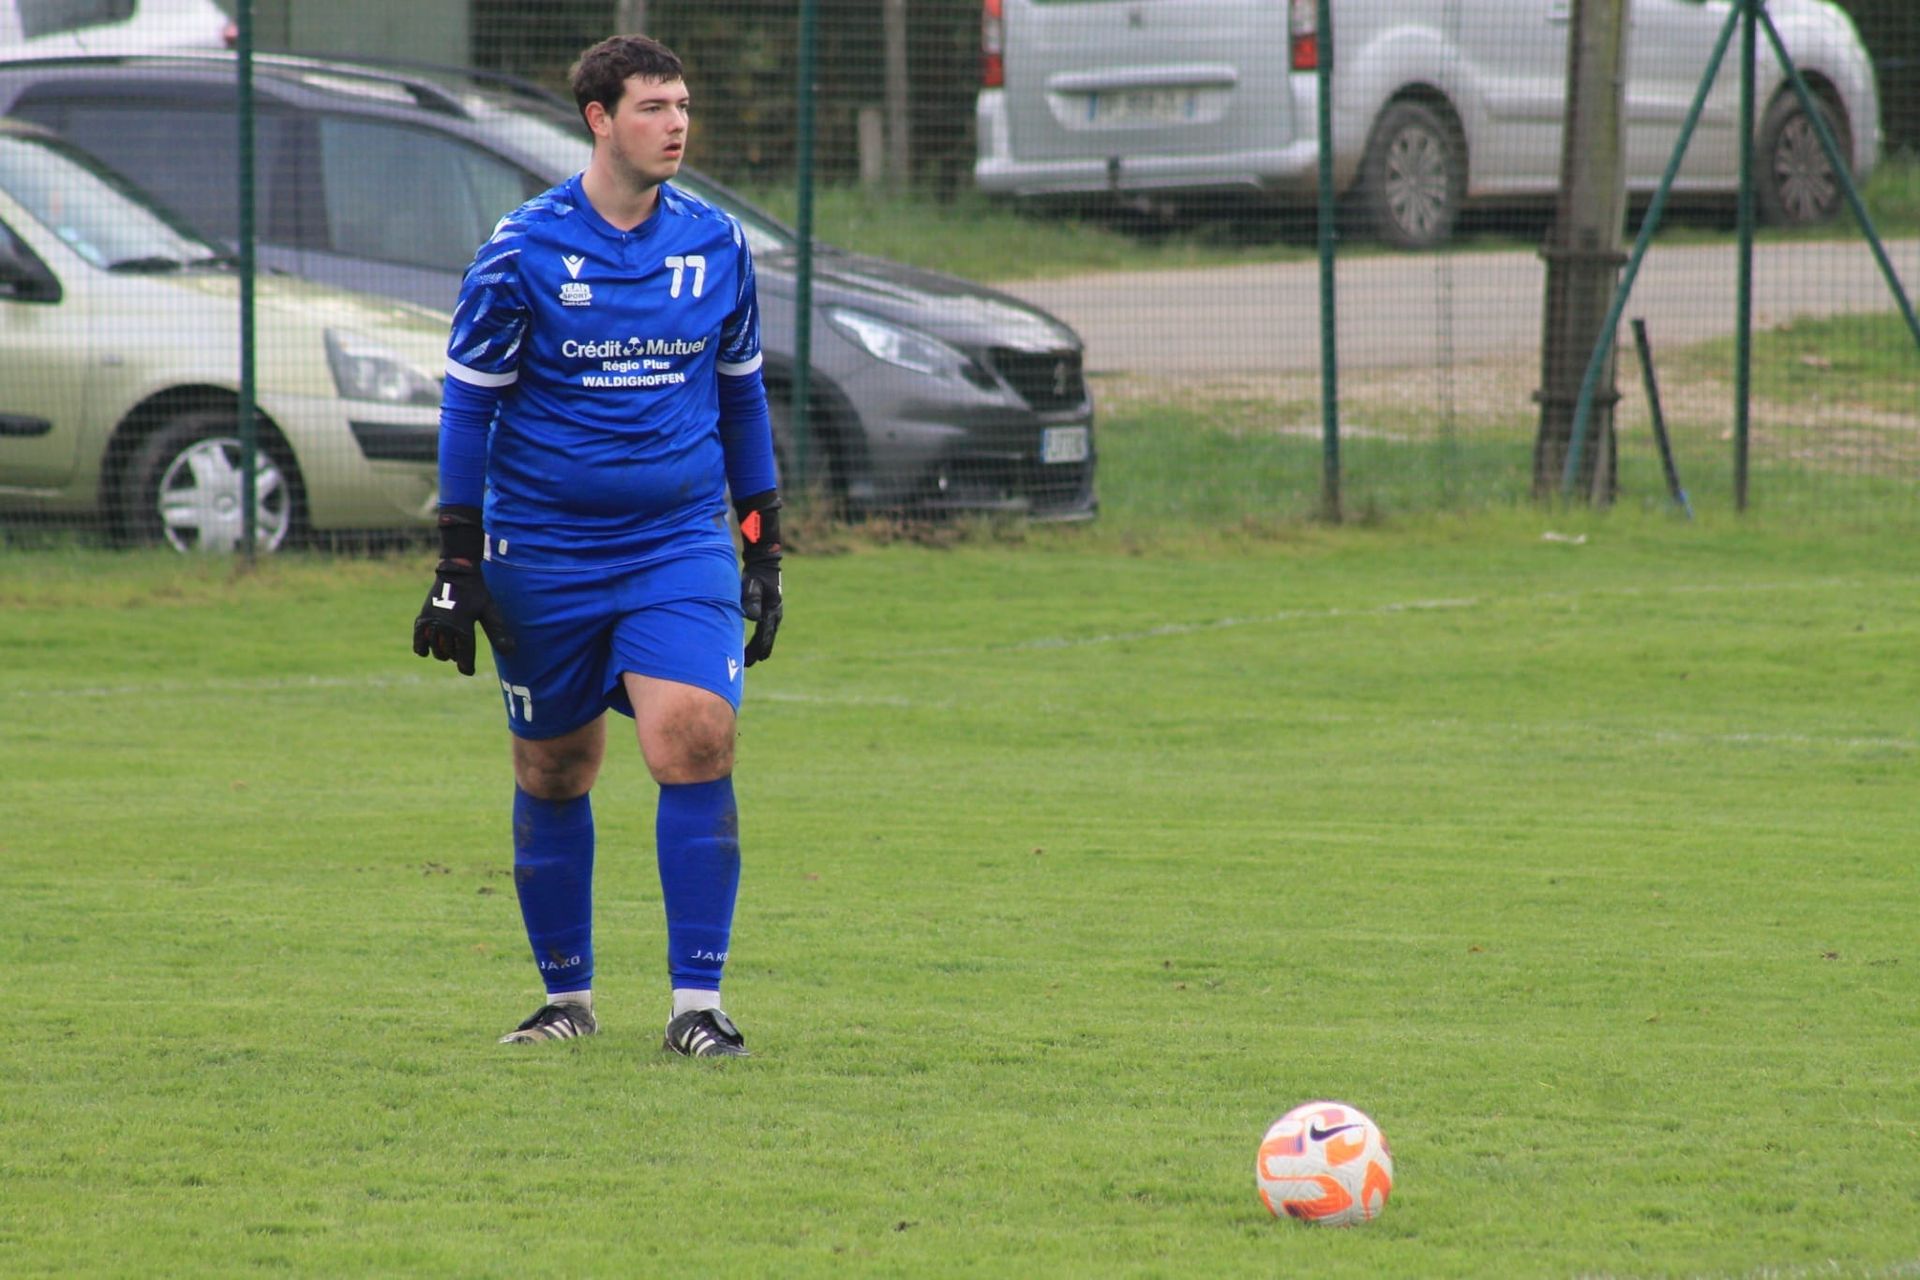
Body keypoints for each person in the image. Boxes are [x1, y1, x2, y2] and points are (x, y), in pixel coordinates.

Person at [411, 34, 781, 1058]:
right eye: (655, 107)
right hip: (545, 552)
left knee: (695, 735)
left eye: (684, 105)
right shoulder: (522, 248)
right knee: (556, 766)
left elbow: (741, 394)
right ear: (599, 119)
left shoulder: (717, 244)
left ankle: (697, 1008)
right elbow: (467, 405)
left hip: (676, 541)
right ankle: (565, 999)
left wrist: (764, 543)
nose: (676, 125)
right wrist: (457, 558)